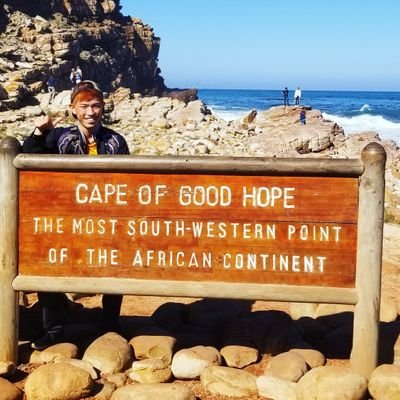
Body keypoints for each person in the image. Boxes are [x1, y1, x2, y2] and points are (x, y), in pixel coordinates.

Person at [23, 80, 130, 350]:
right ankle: (54, 329)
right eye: (84, 106)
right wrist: (39, 132)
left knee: (115, 264)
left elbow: (129, 180)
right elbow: (28, 155)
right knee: (47, 264)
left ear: (103, 107)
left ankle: (110, 322)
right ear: (73, 109)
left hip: (105, 219)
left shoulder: (116, 140)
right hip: (64, 220)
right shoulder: (58, 137)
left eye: (95, 106)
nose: (90, 112)